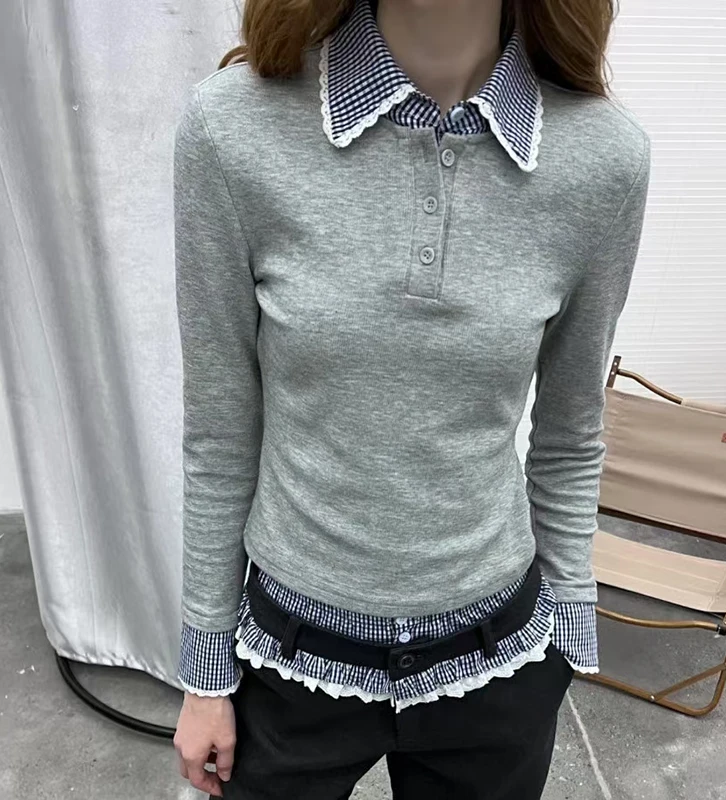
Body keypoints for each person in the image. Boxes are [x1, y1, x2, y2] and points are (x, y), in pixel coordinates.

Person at [171, 0, 650, 797]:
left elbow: (571, 433)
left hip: (497, 665)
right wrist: (205, 672)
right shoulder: (234, 128)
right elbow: (220, 432)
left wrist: (566, 639)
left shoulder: (604, 159)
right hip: (288, 666)